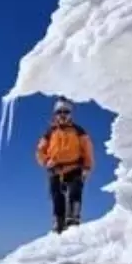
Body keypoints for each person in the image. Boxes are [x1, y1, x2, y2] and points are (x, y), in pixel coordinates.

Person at [35, 98, 94, 233]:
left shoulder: (79, 131)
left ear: (70, 114)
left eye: (66, 112)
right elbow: (40, 150)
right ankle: (59, 222)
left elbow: (88, 150)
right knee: (56, 196)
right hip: (55, 169)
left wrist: (87, 167)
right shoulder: (50, 132)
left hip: (75, 167)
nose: (62, 115)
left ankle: (73, 219)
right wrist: (45, 161)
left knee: (75, 191)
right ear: (55, 114)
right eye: (59, 112)